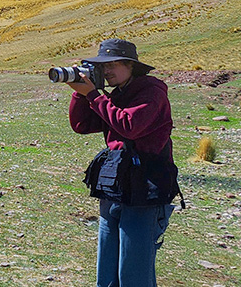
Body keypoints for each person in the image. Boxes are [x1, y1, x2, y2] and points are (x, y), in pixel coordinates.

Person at [65, 38, 179, 287]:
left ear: (131, 65)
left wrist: (94, 95)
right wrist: (80, 92)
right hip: (114, 187)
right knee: (106, 273)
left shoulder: (152, 92)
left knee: (133, 274)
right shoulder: (116, 95)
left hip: (144, 192)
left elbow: (129, 125)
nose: (106, 71)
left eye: (113, 64)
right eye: (103, 66)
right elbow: (82, 125)